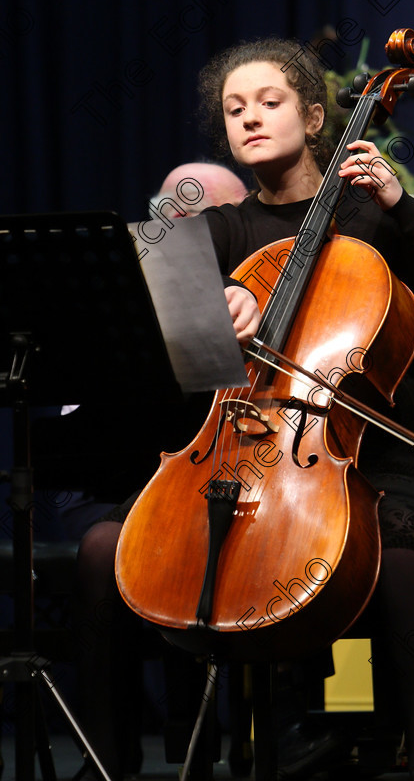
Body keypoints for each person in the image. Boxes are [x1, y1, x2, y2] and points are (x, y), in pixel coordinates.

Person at [79, 38, 414, 781]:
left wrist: (402, 206)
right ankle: (108, 763)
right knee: (101, 549)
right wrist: (208, 304)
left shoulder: (373, 217)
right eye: (234, 109)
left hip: (370, 448)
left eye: (269, 103)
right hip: (241, 444)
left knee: (403, 560)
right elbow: (145, 287)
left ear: (314, 118)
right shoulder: (224, 231)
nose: (249, 119)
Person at [71, 162, 247, 781]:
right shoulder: (119, 289)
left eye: (207, 223)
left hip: (242, 475)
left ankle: (266, 736)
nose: (184, 234)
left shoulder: (262, 278)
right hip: (138, 478)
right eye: (172, 218)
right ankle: (107, 752)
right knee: (101, 548)